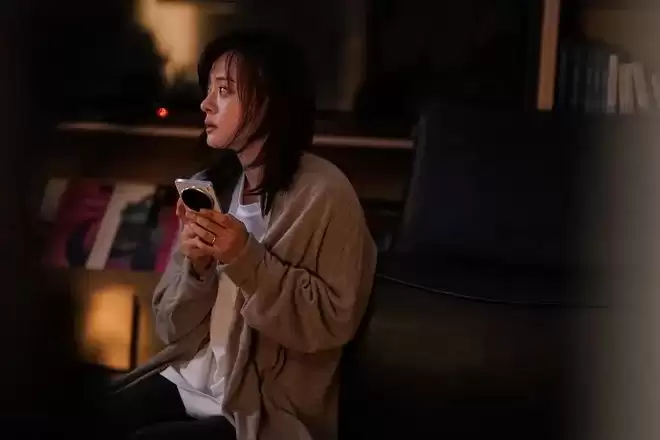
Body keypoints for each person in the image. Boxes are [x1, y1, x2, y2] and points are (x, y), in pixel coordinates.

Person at [107, 30, 378, 440]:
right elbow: (171, 328)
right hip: (188, 379)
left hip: (257, 410)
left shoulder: (325, 193)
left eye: (224, 90)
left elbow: (332, 322)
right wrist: (196, 269)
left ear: (270, 102)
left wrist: (245, 259)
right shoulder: (210, 184)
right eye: (208, 89)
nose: (206, 103)